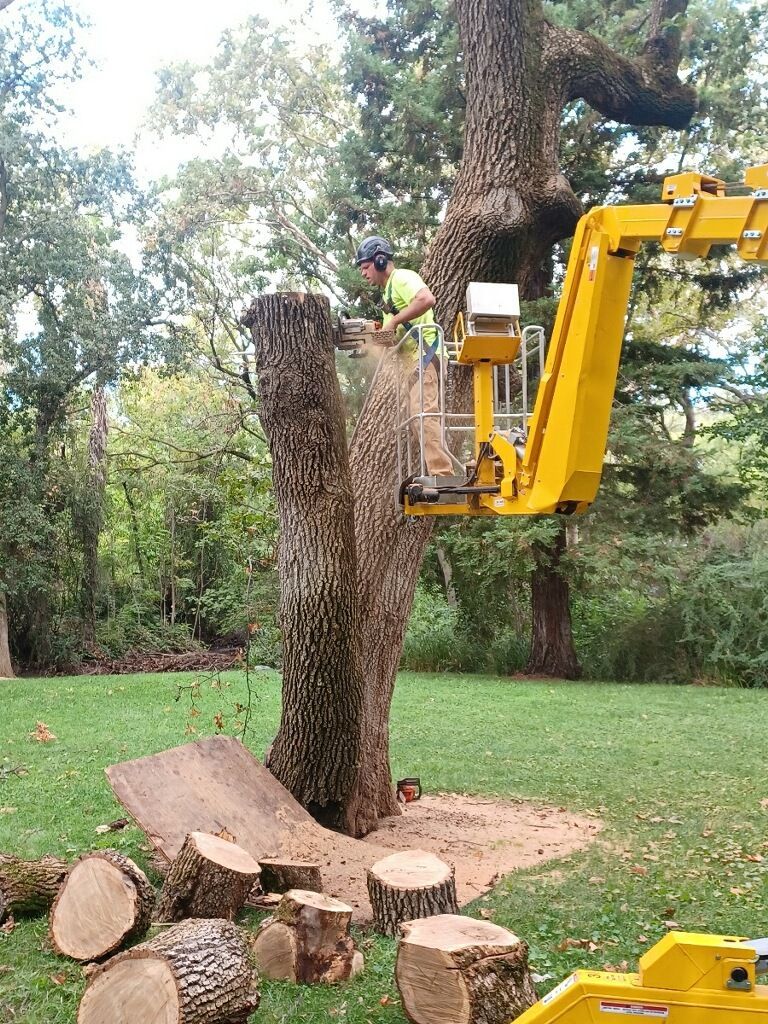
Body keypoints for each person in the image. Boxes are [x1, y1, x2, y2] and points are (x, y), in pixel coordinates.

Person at [355, 236, 454, 478]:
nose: (363, 274)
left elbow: (426, 299)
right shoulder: (388, 294)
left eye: (365, 267)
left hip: (426, 356)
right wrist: (369, 342)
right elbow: (394, 335)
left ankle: (444, 476)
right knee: (417, 419)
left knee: (424, 415)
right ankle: (440, 471)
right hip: (414, 363)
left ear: (380, 261)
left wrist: (395, 321)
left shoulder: (402, 277)